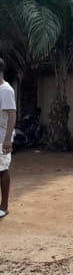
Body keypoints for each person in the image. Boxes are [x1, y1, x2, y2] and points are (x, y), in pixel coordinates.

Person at [0, 58, 16, 219]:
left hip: (1, 138)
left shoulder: (6, 90)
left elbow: (12, 114)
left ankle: (4, 206)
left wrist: (7, 140)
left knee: (2, 170)